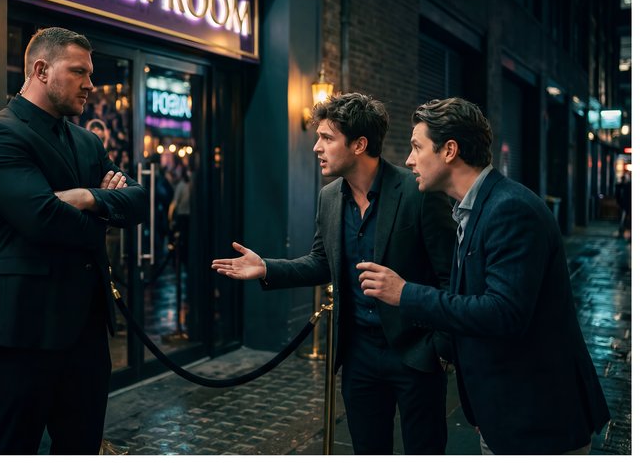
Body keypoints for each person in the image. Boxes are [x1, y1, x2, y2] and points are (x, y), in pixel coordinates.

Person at [358, 97, 611, 454]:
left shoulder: (510, 210)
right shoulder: (471, 209)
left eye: (417, 147)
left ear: (449, 150)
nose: (409, 159)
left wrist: (405, 294)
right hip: (502, 414)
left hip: (538, 421)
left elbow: (503, 313)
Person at [211, 93, 457, 454]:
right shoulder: (329, 197)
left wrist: (441, 349)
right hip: (358, 355)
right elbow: (321, 262)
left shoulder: (417, 192)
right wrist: (267, 267)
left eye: (327, 138)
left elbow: (452, 276)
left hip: (415, 352)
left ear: (359, 144)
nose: (316, 148)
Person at [0, 27, 148, 454]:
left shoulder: (87, 140)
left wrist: (88, 196)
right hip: (21, 330)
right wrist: (105, 212)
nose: (91, 83)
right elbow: (43, 219)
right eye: (79, 71)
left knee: (81, 447)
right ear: (41, 70)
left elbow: (138, 201)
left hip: (85, 330)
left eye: (91, 72)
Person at [616, 173, 631, 240]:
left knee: (624, 219)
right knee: (624, 219)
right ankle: (622, 231)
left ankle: (622, 231)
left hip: (625, 205)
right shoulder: (625, 186)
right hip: (625, 205)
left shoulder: (626, 186)